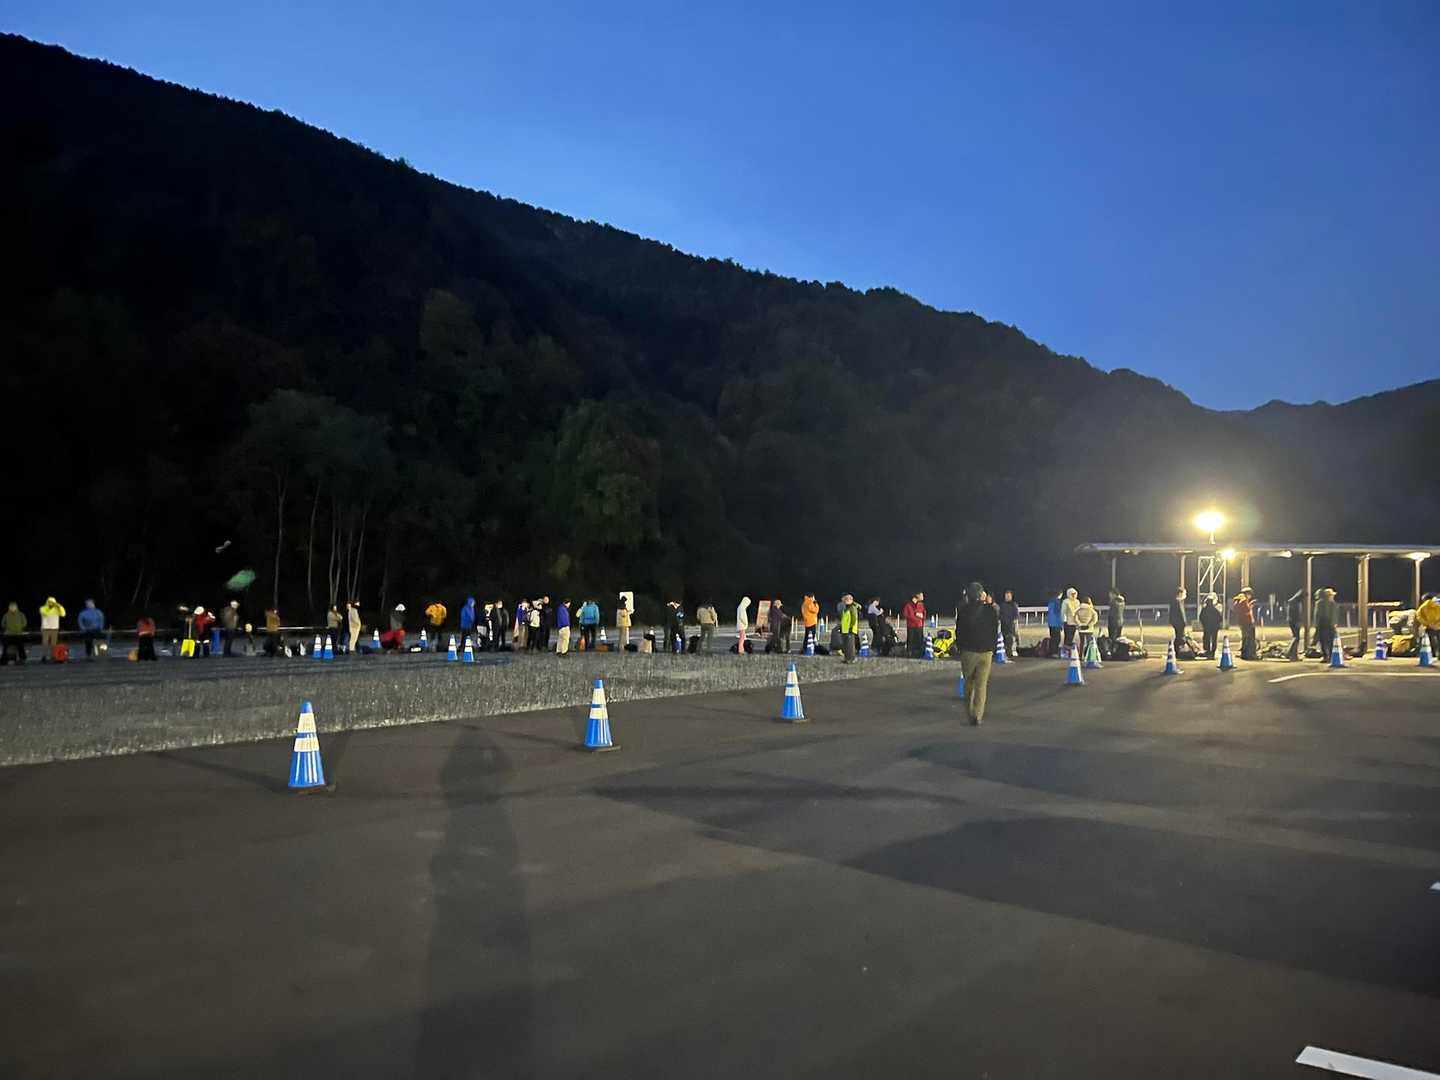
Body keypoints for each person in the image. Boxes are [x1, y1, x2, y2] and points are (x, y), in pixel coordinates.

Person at [955, 582, 1001, 725]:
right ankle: (978, 715)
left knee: (968, 683)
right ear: (981, 594)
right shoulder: (991, 610)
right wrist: (993, 648)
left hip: (968, 652)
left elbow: (959, 631)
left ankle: (970, 713)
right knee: (981, 685)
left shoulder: (963, 610)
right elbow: (995, 630)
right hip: (986, 652)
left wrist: (960, 647)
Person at [1232, 587, 1257, 660]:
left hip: (1243, 623)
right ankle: (1249, 654)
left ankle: (1245, 653)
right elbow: (1246, 611)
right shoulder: (1243, 601)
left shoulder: (1238, 601)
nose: (1250, 596)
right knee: (1249, 639)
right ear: (1247, 594)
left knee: (1245, 638)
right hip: (1247, 623)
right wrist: (1250, 605)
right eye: (1250, 594)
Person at [1314, 587, 1338, 660]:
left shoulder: (1319, 603)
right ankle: (1330, 656)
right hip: (1330, 624)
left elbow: (1317, 614)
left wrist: (1316, 625)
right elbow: (1334, 614)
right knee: (1330, 641)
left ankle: (1325, 656)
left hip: (1321, 624)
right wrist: (1334, 623)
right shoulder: (1333, 603)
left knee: (1322, 641)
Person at [837, 593, 861, 663]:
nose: (845, 601)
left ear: (851, 600)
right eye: (845, 599)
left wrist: (851, 627)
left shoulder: (852, 608)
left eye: (847, 599)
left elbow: (854, 619)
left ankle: (851, 659)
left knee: (850, 645)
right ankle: (847, 658)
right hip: (845, 630)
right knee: (846, 645)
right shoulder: (846, 608)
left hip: (850, 630)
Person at [902, 593, 927, 658]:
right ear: (916, 596)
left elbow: (924, 613)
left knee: (920, 639)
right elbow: (905, 614)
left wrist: (921, 616)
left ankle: (920, 653)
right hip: (911, 625)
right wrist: (916, 617)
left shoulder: (921, 604)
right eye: (921, 595)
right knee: (910, 639)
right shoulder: (908, 605)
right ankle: (910, 653)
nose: (922, 597)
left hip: (919, 625)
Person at [1415, 593, 1440, 657]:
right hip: (1438, 626)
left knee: (1430, 640)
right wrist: (1437, 624)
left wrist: (1427, 624)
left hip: (1429, 626)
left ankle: (1432, 654)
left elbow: (1419, 616)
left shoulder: (1422, 607)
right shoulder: (1438, 604)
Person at [996, 590, 1019, 659]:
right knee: (1004, 642)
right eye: (1006, 596)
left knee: (1010, 641)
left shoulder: (1014, 605)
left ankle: (1010, 654)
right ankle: (1004, 655)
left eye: (1008, 596)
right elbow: (999, 615)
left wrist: (1015, 627)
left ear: (1011, 596)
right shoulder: (1002, 605)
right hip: (1003, 627)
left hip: (1011, 627)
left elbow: (1016, 616)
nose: (1007, 597)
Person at [1199, 594, 1223, 659]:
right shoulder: (1215, 610)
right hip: (1214, 627)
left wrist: (1204, 624)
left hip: (1207, 627)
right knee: (1214, 639)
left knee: (1206, 639)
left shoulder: (1204, 610)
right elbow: (1220, 618)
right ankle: (1213, 652)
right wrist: (1218, 624)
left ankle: (1207, 651)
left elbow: (1201, 617)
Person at [1059, 588, 1080, 655]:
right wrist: (1062, 621)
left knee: (1071, 637)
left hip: (1075, 622)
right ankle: (1065, 652)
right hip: (1067, 622)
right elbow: (1063, 612)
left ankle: (1069, 652)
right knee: (1067, 638)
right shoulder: (1066, 601)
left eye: (1075, 594)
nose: (1074, 595)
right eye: (1072, 594)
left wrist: (1079, 622)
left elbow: (1079, 612)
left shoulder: (1077, 601)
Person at [1285, 589, 1304, 661]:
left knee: (1295, 638)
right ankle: (1292, 655)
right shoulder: (1296, 603)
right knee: (1296, 638)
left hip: (1292, 621)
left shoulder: (1292, 602)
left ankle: (1293, 654)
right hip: (1295, 622)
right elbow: (1296, 614)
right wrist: (1298, 622)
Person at [1169, 588, 1188, 652]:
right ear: (1180, 594)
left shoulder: (1177, 602)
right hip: (1179, 624)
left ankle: (1178, 650)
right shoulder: (1177, 603)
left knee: (1179, 637)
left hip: (1178, 623)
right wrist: (1183, 623)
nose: (1185, 595)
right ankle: (1179, 650)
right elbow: (1180, 614)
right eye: (1184, 593)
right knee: (1180, 637)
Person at [1046, 591, 1063, 655]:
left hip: (1050, 623)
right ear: (1060, 594)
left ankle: (1051, 652)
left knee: (1052, 638)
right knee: (1057, 638)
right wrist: (1061, 624)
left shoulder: (1050, 602)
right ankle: (1054, 652)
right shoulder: (1057, 602)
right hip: (1056, 623)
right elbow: (1058, 614)